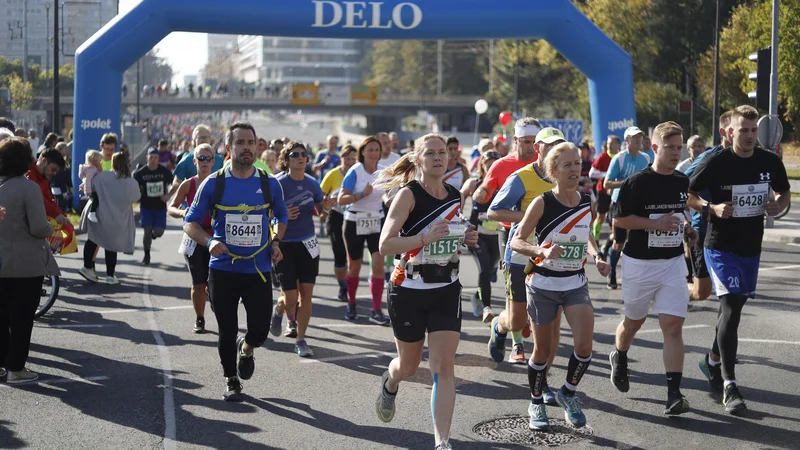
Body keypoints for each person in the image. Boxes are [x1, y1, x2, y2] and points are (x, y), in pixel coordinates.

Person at [374, 133, 479, 450]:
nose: (438, 157)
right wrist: (425, 238)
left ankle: (442, 442)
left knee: (444, 367)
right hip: (408, 290)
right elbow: (385, 245)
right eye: (431, 153)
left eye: (443, 153)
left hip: (446, 288)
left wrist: (464, 237)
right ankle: (390, 382)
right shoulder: (408, 195)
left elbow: (448, 237)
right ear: (418, 159)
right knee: (408, 367)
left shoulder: (455, 195)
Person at [687, 105, 791, 414]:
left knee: (732, 311)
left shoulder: (769, 161)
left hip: (750, 247)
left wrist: (778, 207)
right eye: (742, 130)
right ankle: (730, 384)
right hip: (719, 245)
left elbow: (783, 193)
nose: (748, 136)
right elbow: (687, 193)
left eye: (752, 130)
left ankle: (712, 359)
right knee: (730, 306)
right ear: (730, 131)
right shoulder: (717, 162)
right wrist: (711, 208)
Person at [184, 122, 289, 402]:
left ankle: (248, 348)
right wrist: (210, 241)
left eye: (251, 142)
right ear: (228, 149)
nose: (246, 147)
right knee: (227, 330)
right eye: (240, 142)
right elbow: (190, 224)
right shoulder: (214, 183)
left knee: (259, 330)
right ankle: (231, 379)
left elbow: (281, 215)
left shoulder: (269, 183)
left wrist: (276, 241)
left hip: (258, 269)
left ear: (257, 146)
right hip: (222, 270)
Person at [510, 142, 610, 430]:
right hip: (542, 284)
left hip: (575, 282)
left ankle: (568, 392)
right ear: (553, 171)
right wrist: (540, 251)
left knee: (584, 346)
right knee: (542, 351)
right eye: (567, 165)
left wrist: (597, 257)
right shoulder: (542, 202)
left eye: (577, 163)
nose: (574, 169)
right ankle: (536, 401)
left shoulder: (584, 200)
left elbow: (587, 235)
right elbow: (517, 240)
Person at [608, 121, 699, 416]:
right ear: (656, 147)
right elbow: (619, 220)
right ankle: (620, 355)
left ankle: (674, 393)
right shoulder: (637, 182)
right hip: (639, 264)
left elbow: (677, 212)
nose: (676, 152)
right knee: (633, 322)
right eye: (670, 147)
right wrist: (654, 224)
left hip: (672, 263)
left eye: (679, 147)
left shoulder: (682, 181)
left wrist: (685, 228)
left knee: (673, 327)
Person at [487, 127, 562, 367]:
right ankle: (499, 325)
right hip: (520, 255)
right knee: (517, 321)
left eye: (559, 146)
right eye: (550, 145)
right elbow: (493, 211)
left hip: (551, 257)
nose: (555, 150)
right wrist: (530, 216)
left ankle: (542, 379)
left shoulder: (564, 176)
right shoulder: (521, 177)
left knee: (551, 320)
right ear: (538, 148)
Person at [0, 137, 60, 384]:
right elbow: (38, 227)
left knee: (1, 317)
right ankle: (16, 368)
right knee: (23, 318)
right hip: (26, 263)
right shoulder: (29, 188)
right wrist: (50, 227)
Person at [269, 142, 336, 357]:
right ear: (286, 159)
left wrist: (326, 206)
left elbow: (320, 212)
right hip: (284, 244)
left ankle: (301, 339)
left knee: (306, 294)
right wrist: (280, 213)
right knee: (290, 298)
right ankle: (279, 310)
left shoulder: (312, 183)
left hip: (307, 244)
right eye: (294, 155)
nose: (300, 158)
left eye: (303, 155)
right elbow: (264, 213)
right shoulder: (277, 183)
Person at [472, 118, 543, 280]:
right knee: (512, 279)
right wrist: (480, 194)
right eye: (526, 142)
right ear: (515, 140)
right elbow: (485, 190)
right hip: (510, 229)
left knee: (541, 278)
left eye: (535, 142)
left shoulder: (545, 163)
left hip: (542, 229)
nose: (532, 147)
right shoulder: (500, 165)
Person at [337, 136, 391, 325]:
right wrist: (361, 195)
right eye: (370, 150)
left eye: (377, 150)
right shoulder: (355, 171)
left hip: (376, 220)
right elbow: (341, 199)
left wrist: (390, 201)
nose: (374, 153)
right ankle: (351, 304)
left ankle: (376, 310)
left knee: (378, 266)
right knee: (355, 266)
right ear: (363, 152)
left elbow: (386, 195)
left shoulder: (384, 172)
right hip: (354, 221)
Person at [683, 111, 734, 303]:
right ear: (724, 131)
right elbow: (682, 185)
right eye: (735, 128)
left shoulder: (748, 159)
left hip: (732, 231)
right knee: (702, 292)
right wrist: (708, 208)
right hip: (703, 228)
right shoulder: (709, 158)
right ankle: (674, 289)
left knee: (730, 293)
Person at [169, 144, 217, 333]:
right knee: (198, 282)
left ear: (213, 161)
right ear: (194, 161)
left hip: (216, 237)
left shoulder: (220, 183)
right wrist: (182, 212)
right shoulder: (188, 184)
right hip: (194, 237)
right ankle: (199, 318)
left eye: (208, 158)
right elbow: (171, 207)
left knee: (216, 281)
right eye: (201, 158)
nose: (204, 162)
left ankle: (215, 300)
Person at [80, 152, 141, 284]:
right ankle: (110, 275)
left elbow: (91, 187)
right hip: (118, 218)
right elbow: (136, 197)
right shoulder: (131, 182)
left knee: (93, 239)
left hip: (100, 215)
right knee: (111, 246)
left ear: (112, 163)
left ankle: (87, 267)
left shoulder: (103, 176)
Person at [603, 126, 651, 289]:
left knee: (639, 241)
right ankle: (612, 273)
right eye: (635, 138)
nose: (639, 140)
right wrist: (626, 183)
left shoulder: (645, 158)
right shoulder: (619, 158)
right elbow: (606, 183)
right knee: (619, 243)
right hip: (620, 204)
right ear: (627, 141)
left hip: (639, 204)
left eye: (640, 137)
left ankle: (637, 277)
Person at [461, 150, 502, 322]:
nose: (491, 165)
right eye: (488, 162)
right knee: (484, 270)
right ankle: (486, 307)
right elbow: (460, 197)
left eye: (495, 162)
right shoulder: (473, 183)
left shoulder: (505, 184)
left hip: (497, 236)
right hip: (476, 235)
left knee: (490, 269)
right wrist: (460, 217)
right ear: (482, 165)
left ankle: (478, 297)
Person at [320, 145, 358, 301]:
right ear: (341, 158)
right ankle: (343, 286)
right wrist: (327, 204)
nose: (350, 162)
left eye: (353, 159)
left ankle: (350, 283)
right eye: (347, 159)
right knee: (339, 254)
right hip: (336, 216)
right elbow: (320, 195)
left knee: (353, 255)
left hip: (355, 217)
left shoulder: (359, 173)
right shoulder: (333, 174)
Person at [26, 149, 74, 249]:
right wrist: (56, 214)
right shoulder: (29, 175)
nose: (54, 173)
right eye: (53, 169)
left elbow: (48, 198)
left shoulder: (43, 176)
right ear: (44, 161)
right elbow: (39, 199)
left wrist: (62, 215)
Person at [133, 149, 173, 265]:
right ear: (147, 159)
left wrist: (169, 195)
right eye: (151, 158)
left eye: (155, 158)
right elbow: (133, 186)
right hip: (146, 207)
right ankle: (147, 255)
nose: (153, 161)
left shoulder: (164, 171)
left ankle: (154, 234)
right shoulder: (140, 173)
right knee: (147, 231)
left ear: (158, 159)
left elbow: (175, 183)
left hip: (160, 207)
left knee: (159, 232)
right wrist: (136, 196)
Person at [588, 136, 620, 246]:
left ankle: (615, 241)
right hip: (603, 190)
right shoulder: (602, 157)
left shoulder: (622, 156)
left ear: (618, 145)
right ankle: (595, 238)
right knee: (601, 217)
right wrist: (606, 175)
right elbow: (591, 173)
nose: (609, 146)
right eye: (608, 144)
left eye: (611, 144)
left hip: (617, 192)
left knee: (615, 218)